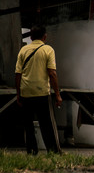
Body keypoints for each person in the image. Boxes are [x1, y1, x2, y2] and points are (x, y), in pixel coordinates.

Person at [15, 25, 62, 155]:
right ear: (45, 36)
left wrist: (18, 94)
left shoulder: (23, 50)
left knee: (28, 125)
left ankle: (31, 152)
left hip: (26, 92)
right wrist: (57, 95)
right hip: (42, 93)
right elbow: (52, 73)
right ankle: (53, 152)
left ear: (30, 37)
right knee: (47, 124)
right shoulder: (48, 50)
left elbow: (18, 74)